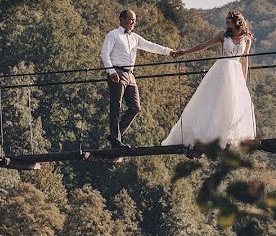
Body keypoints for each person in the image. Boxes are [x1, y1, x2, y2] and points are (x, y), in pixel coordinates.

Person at [162, 10, 256, 148]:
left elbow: (244, 60)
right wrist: (184, 52)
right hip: (222, 70)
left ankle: (227, 137)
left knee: (232, 105)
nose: (226, 22)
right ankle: (203, 137)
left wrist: (243, 81)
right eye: (226, 20)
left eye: (229, 20)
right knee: (214, 103)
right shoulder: (223, 35)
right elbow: (203, 46)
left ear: (237, 22)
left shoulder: (246, 39)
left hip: (235, 74)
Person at [100, 9, 174, 148]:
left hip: (130, 74)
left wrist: (170, 52)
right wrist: (111, 72)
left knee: (135, 107)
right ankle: (116, 139)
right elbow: (104, 53)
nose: (133, 22)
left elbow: (150, 46)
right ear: (122, 19)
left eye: (134, 19)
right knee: (116, 106)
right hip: (117, 71)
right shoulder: (113, 35)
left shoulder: (135, 37)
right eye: (130, 19)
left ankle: (115, 135)